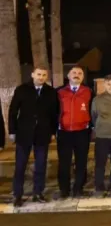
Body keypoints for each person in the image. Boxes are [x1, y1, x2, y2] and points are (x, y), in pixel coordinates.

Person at [8, 67, 59, 207]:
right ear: (32, 75)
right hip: (24, 134)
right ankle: (17, 194)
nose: (41, 77)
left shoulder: (50, 92)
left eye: (44, 75)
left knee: (41, 165)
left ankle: (38, 193)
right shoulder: (22, 90)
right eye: (38, 74)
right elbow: (13, 111)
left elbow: (54, 114)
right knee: (20, 166)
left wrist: (53, 132)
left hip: (42, 135)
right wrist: (12, 131)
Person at [56, 66, 94, 199]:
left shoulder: (89, 91)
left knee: (81, 162)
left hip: (82, 132)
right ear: (68, 75)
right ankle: (64, 190)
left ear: (83, 77)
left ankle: (79, 188)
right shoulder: (59, 92)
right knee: (64, 162)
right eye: (74, 72)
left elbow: (93, 111)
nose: (77, 75)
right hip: (64, 132)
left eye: (80, 73)